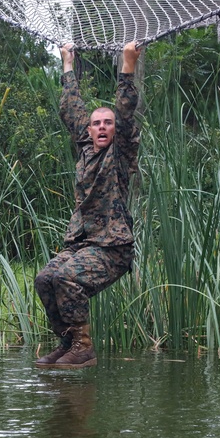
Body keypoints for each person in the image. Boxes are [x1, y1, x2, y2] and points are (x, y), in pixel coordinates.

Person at [34, 41, 143, 369]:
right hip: (82, 244)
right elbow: (71, 109)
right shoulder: (86, 149)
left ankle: (83, 346)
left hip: (112, 248)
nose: (101, 127)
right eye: (96, 124)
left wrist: (127, 65)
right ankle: (68, 342)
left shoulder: (120, 154)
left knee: (66, 277)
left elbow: (124, 112)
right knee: (45, 279)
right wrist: (67, 63)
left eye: (107, 124)